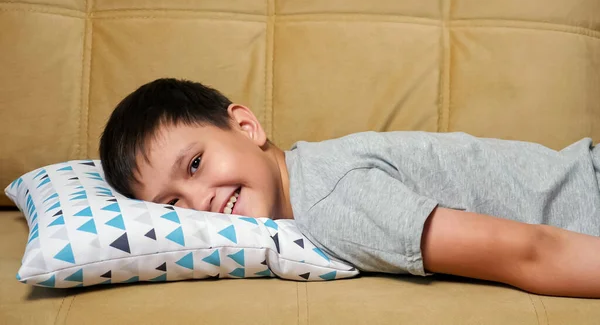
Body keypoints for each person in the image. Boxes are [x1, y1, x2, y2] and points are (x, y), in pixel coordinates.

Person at [100, 78, 600, 298]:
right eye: (172, 206)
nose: (199, 200)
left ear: (246, 127)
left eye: (194, 164)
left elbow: (530, 252)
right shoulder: (315, 166)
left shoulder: (330, 202)